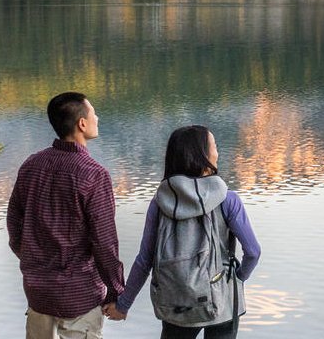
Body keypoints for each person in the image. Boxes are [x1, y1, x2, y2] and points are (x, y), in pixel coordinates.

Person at [111, 125, 262, 339]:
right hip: (222, 302)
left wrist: (123, 305)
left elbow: (145, 259)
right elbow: (253, 252)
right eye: (215, 146)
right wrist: (236, 280)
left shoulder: (160, 202)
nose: (217, 152)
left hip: (175, 300)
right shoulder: (228, 200)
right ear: (203, 155)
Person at [8, 92, 126, 339]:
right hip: (79, 294)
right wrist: (117, 292)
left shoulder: (31, 165)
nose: (98, 117)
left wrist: (34, 262)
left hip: (37, 291)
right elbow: (104, 242)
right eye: (94, 113)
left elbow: (14, 224)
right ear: (82, 123)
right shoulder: (94, 175)